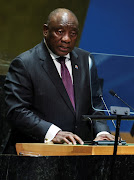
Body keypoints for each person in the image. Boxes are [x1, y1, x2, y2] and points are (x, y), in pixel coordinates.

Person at [4, 8, 114, 153]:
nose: (67, 39)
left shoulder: (85, 60)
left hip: (77, 155)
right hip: (34, 155)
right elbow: (16, 111)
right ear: (45, 30)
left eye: (73, 34)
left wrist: (102, 132)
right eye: (60, 32)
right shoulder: (25, 63)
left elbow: (95, 104)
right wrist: (53, 133)